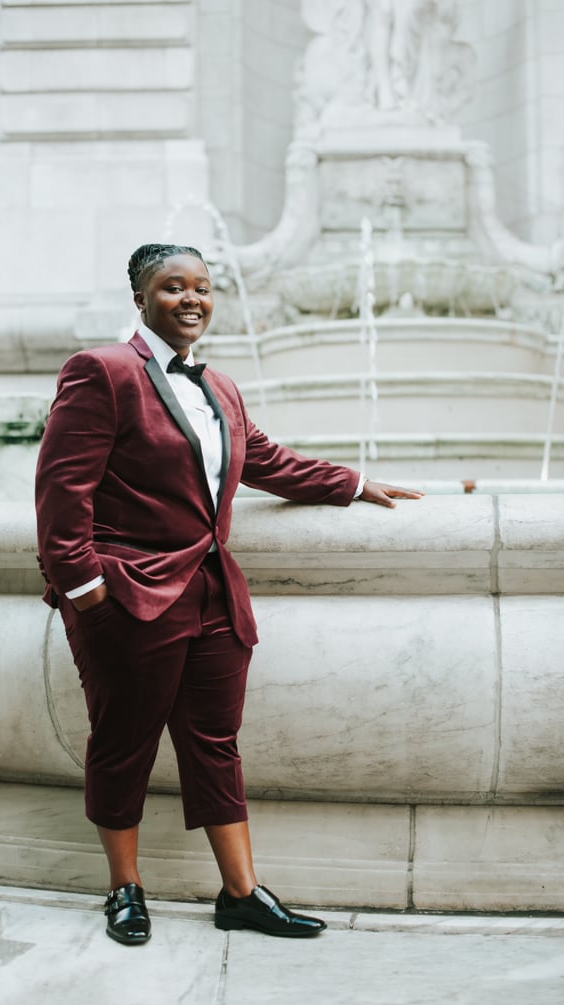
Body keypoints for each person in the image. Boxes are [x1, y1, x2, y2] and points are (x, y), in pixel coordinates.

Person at [35, 242, 423, 946]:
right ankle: (124, 889)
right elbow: (62, 496)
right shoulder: (102, 371)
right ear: (141, 298)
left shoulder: (222, 387)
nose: (191, 299)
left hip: (213, 595)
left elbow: (264, 459)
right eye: (172, 287)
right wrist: (87, 594)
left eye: (203, 288)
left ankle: (240, 893)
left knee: (215, 743)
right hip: (130, 597)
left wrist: (352, 482)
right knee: (123, 743)